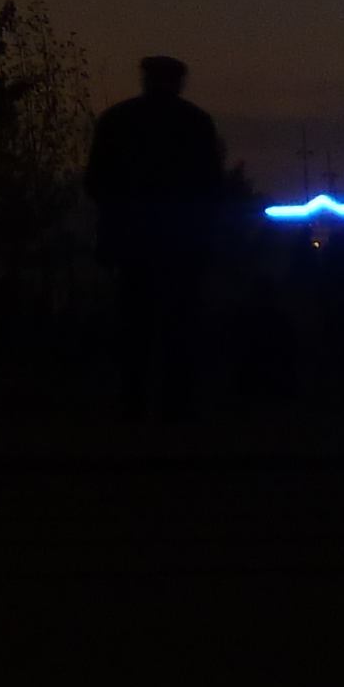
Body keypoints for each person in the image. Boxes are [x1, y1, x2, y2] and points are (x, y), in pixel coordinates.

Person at [86, 53, 227, 419]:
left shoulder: (117, 121)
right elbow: (212, 187)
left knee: (135, 326)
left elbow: (96, 182)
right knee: (179, 326)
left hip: (134, 241)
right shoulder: (195, 123)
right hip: (182, 243)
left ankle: (133, 403)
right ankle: (175, 406)